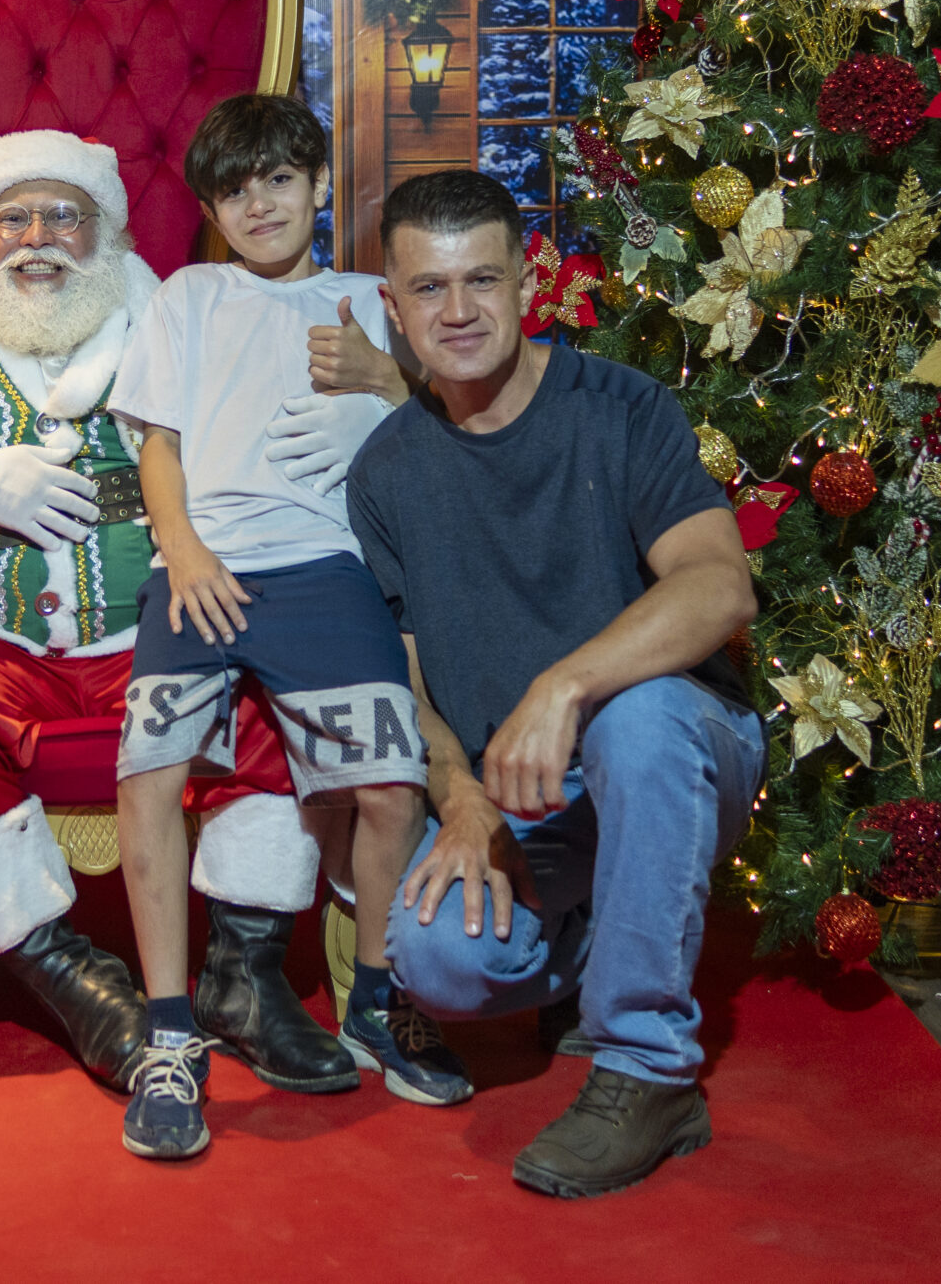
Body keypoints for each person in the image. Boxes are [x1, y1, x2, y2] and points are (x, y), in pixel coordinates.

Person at [0, 129, 366, 1093]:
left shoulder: (174, 308)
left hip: (155, 631)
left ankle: (245, 974)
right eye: (12, 217)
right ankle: (69, 976)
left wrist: (370, 404)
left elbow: (287, 380)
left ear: (107, 231)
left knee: (270, 685)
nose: (38, 238)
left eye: (64, 216)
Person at [347, 169, 763, 1198]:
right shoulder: (385, 470)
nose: (457, 311)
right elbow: (408, 680)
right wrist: (458, 794)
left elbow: (720, 586)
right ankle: (597, 940)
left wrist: (564, 686)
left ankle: (647, 1069)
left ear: (527, 283)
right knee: (438, 960)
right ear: (392, 307)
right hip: (524, 792)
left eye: (481, 280)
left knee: (640, 717)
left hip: (675, 754)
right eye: (429, 288)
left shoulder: (620, 407)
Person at [108, 94, 446, 1161]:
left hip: (324, 567)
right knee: (147, 774)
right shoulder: (189, 296)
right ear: (212, 210)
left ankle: (375, 1001)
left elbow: (444, 440)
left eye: (279, 179)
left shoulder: (370, 300)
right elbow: (156, 444)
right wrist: (184, 550)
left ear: (317, 185)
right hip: (201, 564)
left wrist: (386, 378)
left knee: (392, 788)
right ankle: (171, 1034)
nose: (259, 204)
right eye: (233, 189)